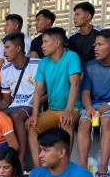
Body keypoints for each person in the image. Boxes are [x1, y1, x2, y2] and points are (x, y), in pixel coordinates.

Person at [26, 27, 81, 167]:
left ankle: (65, 166)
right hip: (52, 110)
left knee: (66, 122)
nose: (42, 46)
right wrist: (34, 114)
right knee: (32, 127)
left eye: (45, 42)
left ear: (57, 43)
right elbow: (38, 90)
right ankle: (38, 168)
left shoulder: (71, 57)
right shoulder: (43, 62)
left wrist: (68, 110)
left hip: (72, 108)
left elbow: (75, 83)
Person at [78, 29, 110, 177]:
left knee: (107, 120)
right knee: (84, 122)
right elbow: (85, 92)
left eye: (100, 45)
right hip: (94, 106)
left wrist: (108, 106)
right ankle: (82, 169)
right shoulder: (90, 66)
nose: (96, 48)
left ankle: (103, 168)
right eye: (95, 45)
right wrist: (88, 107)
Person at [0, 32, 40, 166]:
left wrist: (37, 102)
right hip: (14, 106)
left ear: (18, 48)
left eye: (7, 47)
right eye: (4, 48)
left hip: (31, 106)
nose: (4, 52)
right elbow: (6, 101)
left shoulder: (37, 64)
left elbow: (49, 92)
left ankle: (20, 161)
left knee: (16, 115)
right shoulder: (5, 70)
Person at [68, 2, 100, 68]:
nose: (74, 18)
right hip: (78, 71)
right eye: (74, 15)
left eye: (77, 14)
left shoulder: (100, 34)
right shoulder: (71, 38)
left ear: (88, 16)